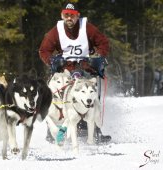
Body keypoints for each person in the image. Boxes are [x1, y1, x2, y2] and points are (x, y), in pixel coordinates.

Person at [39, 2, 111, 143]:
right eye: (66, 15)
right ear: (62, 16)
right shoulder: (56, 31)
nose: (69, 18)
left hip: (86, 68)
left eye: (72, 15)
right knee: (56, 95)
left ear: (78, 16)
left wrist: (99, 57)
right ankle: (52, 130)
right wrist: (52, 61)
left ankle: (95, 129)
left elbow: (104, 43)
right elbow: (44, 50)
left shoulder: (87, 28)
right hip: (64, 69)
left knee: (90, 94)